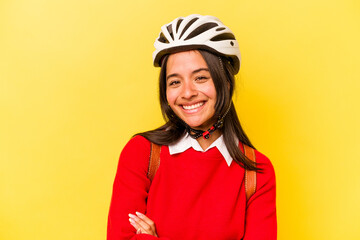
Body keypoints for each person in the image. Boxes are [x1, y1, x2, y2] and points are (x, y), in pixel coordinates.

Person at [107, 14, 277, 240]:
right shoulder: (141, 153)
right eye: (175, 82)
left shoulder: (257, 172)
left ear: (225, 82)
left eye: (200, 78)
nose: (187, 93)